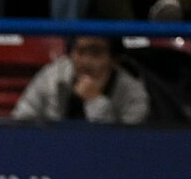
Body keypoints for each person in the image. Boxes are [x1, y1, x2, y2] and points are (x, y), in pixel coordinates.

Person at [11, 36, 151, 124]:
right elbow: (21, 120)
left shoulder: (133, 93)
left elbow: (125, 148)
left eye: (95, 53)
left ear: (113, 60)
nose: (85, 61)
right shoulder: (52, 77)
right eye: (80, 52)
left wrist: (95, 102)